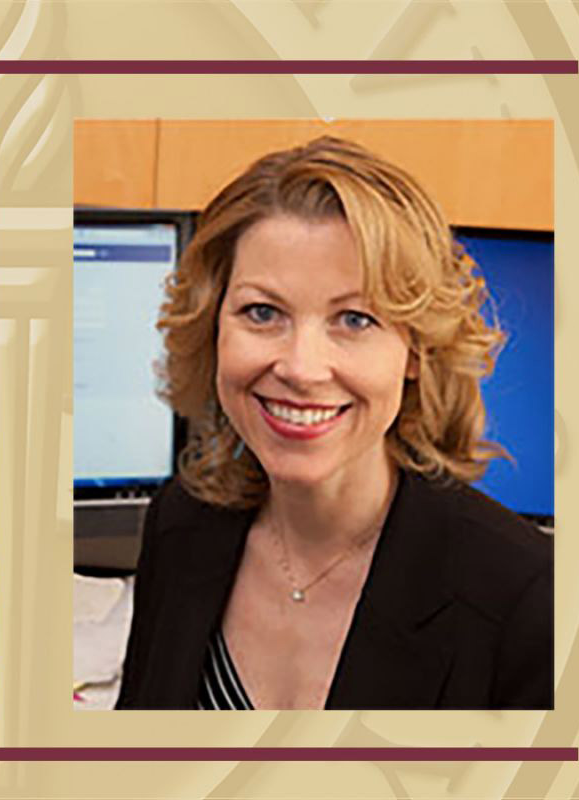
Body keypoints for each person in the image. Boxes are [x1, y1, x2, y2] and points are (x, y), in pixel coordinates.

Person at [116, 137, 552, 710]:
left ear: (417, 349)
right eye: (262, 312)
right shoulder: (181, 523)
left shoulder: (530, 602)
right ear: (212, 326)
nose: (301, 368)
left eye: (355, 318)